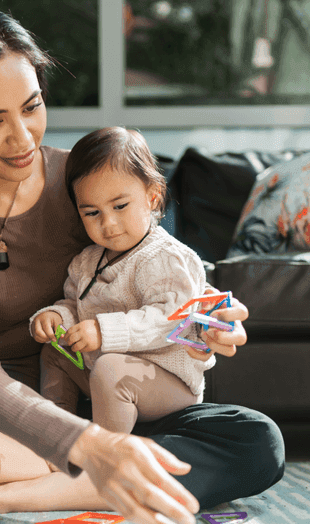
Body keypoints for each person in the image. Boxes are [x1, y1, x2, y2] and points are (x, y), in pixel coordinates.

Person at [0, 4, 284, 524]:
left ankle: (8, 493)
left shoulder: (87, 184)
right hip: (4, 418)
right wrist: (83, 442)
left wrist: (205, 324)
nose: (23, 138)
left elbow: (161, 284)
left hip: (118, 406)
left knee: (256, 439)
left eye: (32, 106)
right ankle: (104, 474)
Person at [31, 126, 212, 434]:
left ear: (153, 198)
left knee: (110, 369)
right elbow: (76, 306)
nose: (108, 223)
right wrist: (56, 317)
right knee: (55, 353)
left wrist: (103, 331)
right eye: (92, 213)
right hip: (102, 373)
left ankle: (109, 460)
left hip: (169, 383)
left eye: (119, 206)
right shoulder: (86, 261)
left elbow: (170, 319)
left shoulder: (166, 257)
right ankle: (56, 435)